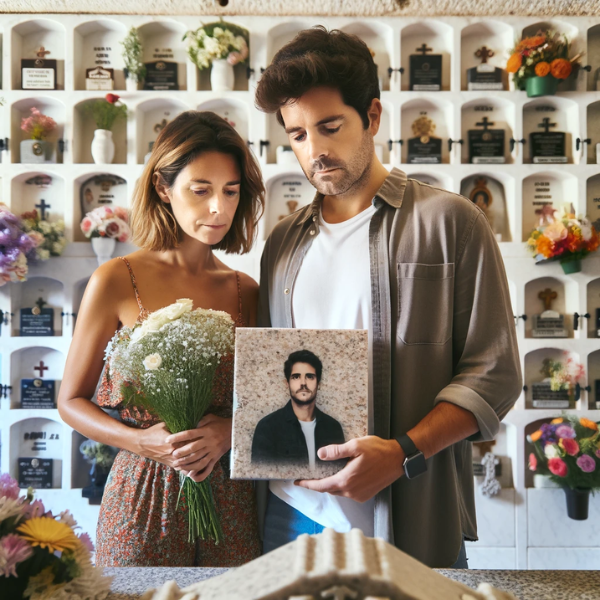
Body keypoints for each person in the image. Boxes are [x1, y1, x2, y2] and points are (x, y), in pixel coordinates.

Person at [254, 27, 522, 567]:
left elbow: (494, 376)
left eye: (331, 127)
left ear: (372, 117)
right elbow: (269, 373)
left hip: (409, 513)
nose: (316, 151)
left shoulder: (451, 222)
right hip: (290, 512)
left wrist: (403, 454)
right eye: (298, 134)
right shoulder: (282, 241)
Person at [57, 111, 264, 567]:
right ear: (163, 188)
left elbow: (269, 399)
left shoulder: (246, 290)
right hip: (141, 495)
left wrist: (229, 432)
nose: (219, 208)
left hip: (230, 497)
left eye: (231, 191)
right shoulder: (116, 278)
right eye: (201, 190)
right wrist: (140, 442)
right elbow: (70, 401)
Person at [251, 349, 345, 466]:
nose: (303, 383)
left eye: (310, 377)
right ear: (287, 384)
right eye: (296, 377)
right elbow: (259, 475)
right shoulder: (267, 427)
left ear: (318, 384)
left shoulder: (333, 428)